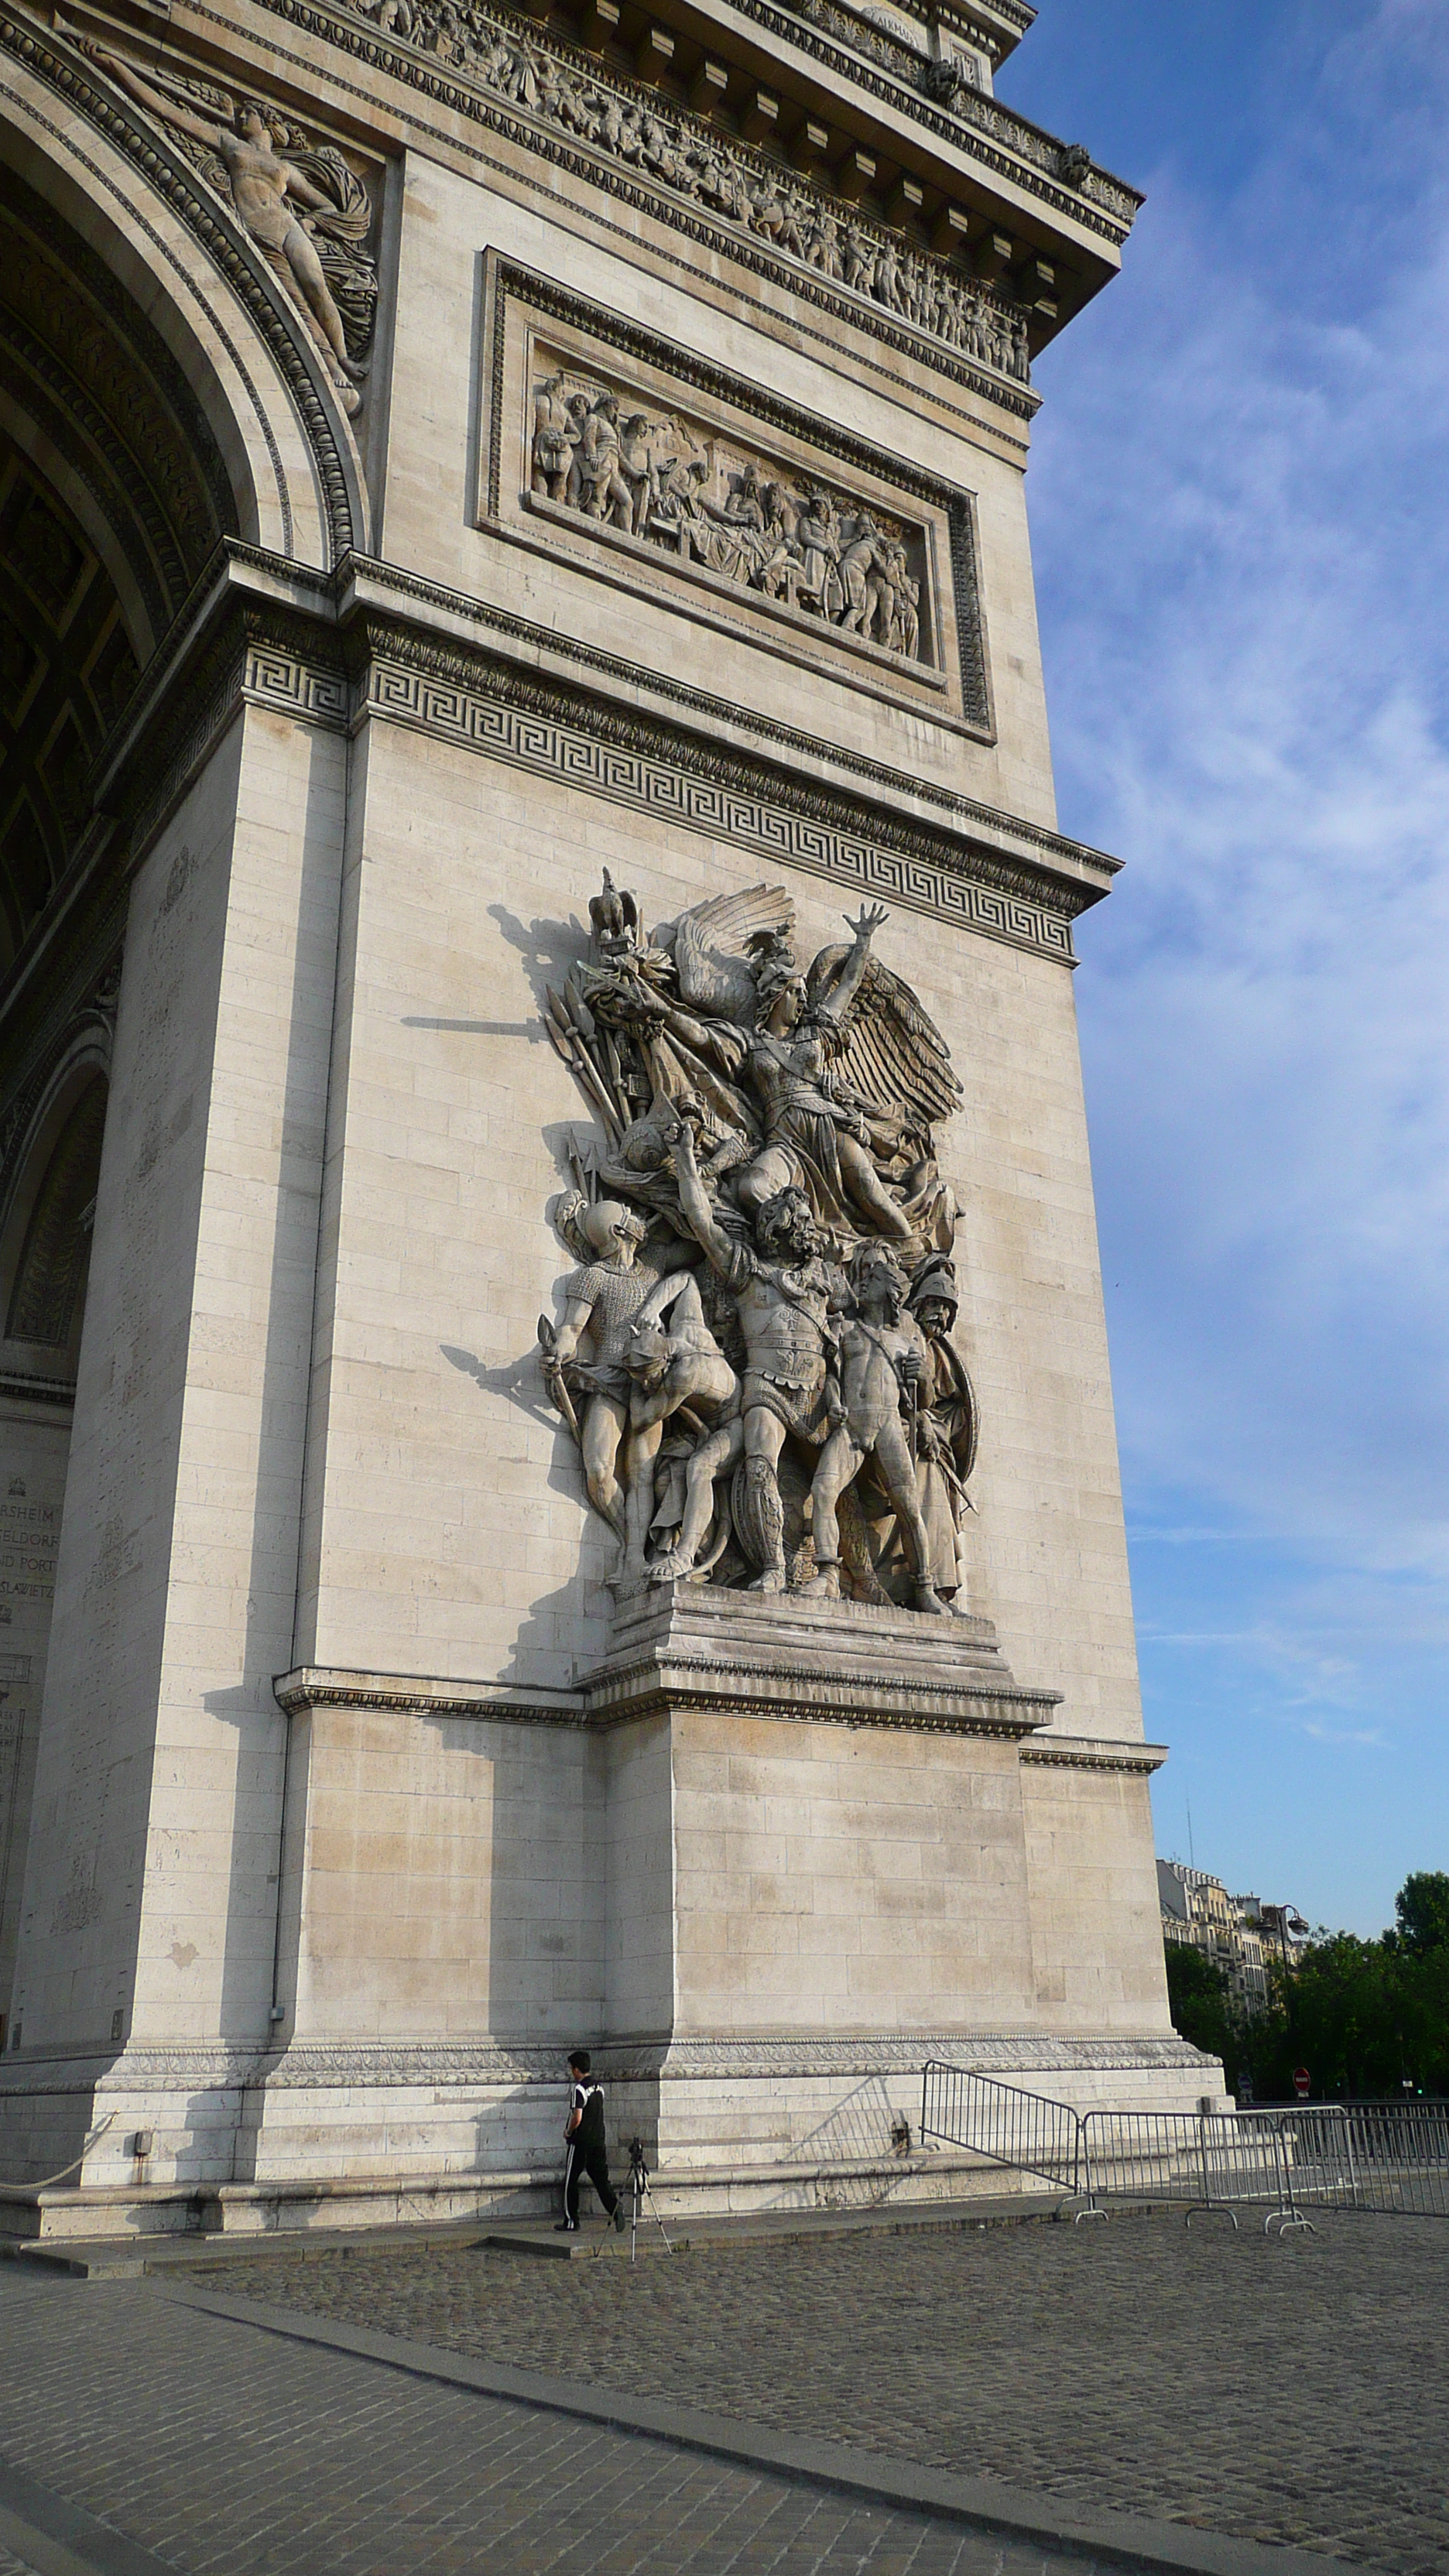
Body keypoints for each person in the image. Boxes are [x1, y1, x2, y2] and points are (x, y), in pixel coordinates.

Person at [558, 2050, 626, 2233]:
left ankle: (571, 2221)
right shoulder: (599, 2087)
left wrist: (568, 2131)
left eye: (572, 2069)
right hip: (598, 2141)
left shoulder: (579, 2089)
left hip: (580, 2142)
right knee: (602, 2181)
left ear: (577, 2069)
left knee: (570, 2182)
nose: (572, 2072)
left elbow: (577, 2117)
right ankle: (615, 2208)